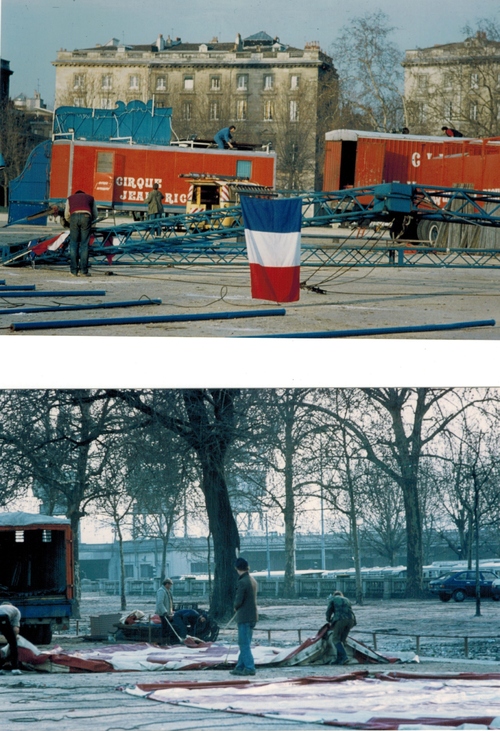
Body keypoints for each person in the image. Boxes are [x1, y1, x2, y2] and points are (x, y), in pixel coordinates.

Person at [230, 556, 258, 677]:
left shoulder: (242, 582)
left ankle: (249, 667)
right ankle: (240, 666)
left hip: (244, 617)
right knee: (245, 642)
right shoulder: (252, 580)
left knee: (243, 644)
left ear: (237, 568)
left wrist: (235, 606)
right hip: (252, 616)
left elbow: (238, 601)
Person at [64, 189, 98, 277]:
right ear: (84, 193)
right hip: (86, 216)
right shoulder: (90, 198)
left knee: (74, 244)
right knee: (84, 244)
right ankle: (83, 271)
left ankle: (73, 271)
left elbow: (66, 214)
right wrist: (90, 221)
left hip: (74, 216)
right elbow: (95, 214)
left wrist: (70, 222)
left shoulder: (70, 198)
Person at [325, 590, 356, 665]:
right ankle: (339, 659)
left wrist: (329, 620)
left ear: (334, 595)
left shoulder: (333, 599)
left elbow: (329, 611)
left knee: (335, 639)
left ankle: (344, 657)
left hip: (340, 619)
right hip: (351, 620)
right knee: (341, 640)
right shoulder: (347, 599)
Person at [0, 601, 22, 675]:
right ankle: (15, 668)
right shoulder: (16, 610)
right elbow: (15, 629)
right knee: (13, 644)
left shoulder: (1, 607)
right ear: (11, 605)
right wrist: (13, 638)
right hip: (3, 617)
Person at [155, 577, 174, 643]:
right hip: (163, 613)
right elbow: (160, 603)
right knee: (164, 628)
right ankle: (163, 642)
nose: (170, 586)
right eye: (170, 585)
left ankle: (166, 641)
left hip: (168, 613)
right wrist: (164, 612)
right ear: (167, 584)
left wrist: (171, 611)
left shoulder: (167, 591)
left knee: (167, 628)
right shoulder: (161, 591)